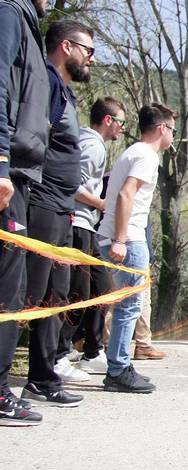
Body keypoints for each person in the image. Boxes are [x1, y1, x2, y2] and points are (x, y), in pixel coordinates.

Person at [20, 20, 95, 408]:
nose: (92, 59)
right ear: (66, 46)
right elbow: (34, 140)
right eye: (88, 50)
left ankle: (42, 377)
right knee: (30, 295)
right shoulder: (46, 82)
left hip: (65, 209)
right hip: (43, 203)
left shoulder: (65, 91)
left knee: (57, 296)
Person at [97, 102, 176, 393]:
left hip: (122, 237)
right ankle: (118, 370)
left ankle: (120, 366)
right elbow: (125, 195)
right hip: (128, 239)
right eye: (172, 129)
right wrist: (120, 239)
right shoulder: (146, 155)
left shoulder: (135, 152)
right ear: (162, 128)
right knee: (129, 306)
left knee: (126, 306)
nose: (173, 136)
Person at [0, 0, 49, 426]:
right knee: (7, 290)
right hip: (8, 171)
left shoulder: (26, 25)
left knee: (11, 288)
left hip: (19, 173)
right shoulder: (9, 14)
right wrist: (1, 162)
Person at [57, 97, 125, 375]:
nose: (122, 128)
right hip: (77, 224)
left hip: (88, 226)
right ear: (108, 120)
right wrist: (101, 203)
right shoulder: (92, 146)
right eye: (121, 122)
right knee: (78, 292)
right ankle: (59, 354)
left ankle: (93, 351)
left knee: (103, 288)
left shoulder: (95, 145)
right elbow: (72, 184)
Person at [132, 222, 166, 360]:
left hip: (138, 249)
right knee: (117, 298)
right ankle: (142, 345)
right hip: (129, 247)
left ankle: (143, 346)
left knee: (144, 300)